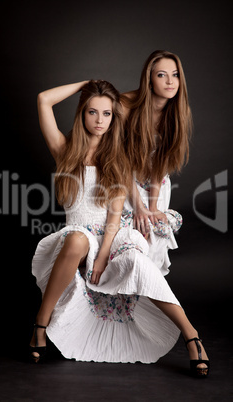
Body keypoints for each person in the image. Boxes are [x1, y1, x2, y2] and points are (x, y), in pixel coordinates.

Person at [29, 79, 209, 377]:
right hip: (78, 235)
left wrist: (102, 257)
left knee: (138, 262)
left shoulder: (118, 158)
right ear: (82, 113)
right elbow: (43, 99)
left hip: (112, 235)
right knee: (76, 240)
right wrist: (86, 85)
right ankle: (40, 324)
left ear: (114, 118)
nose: (99, 120)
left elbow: (114, 214)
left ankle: (193, 337)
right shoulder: (64, 150)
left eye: (107, 113)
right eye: (92, 112)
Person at [120, 50, 209, 376]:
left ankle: (148, 323)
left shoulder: (177, 112)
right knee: (134, 250)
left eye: (174, 75)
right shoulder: (128, 106)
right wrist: (139, 207)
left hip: (156, 189)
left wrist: (154, 207)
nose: (170, 81)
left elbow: (160, 167)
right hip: (123, 186)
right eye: (161, 74)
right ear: (149, 78)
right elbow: (121, 162)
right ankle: (190, 334)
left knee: (154, 250)